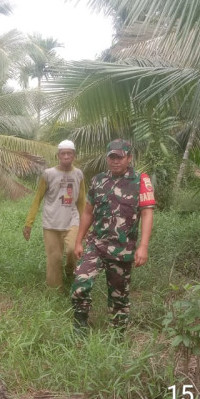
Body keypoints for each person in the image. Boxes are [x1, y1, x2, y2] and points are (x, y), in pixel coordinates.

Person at [71, 139, 155, 333]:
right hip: (96, 244)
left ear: (129, 158)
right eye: (112, 157)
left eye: (120, 157)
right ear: (107, 158)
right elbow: (88, 212)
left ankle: (118, 335)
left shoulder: (140, 180)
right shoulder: (98, 180)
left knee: (119, 296)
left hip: (122, 247)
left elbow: (147, 213)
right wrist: (78, 241)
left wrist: (143, 246)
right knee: (80, 284)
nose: (115, 161)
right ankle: (80, 325)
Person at [23, 140, 87, 289]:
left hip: (72, 220)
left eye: (69, 153)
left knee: (73, 250)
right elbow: (37, 199)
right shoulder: (49, 174)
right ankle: (55, 290)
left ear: (74, 155)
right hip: (51, 222)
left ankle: (70, 272)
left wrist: (87, 227)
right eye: (63, 153)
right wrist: (28, 223)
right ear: (58, 155)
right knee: (54, 258)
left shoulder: (78, 174)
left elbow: (82, 201)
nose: (66, 156)